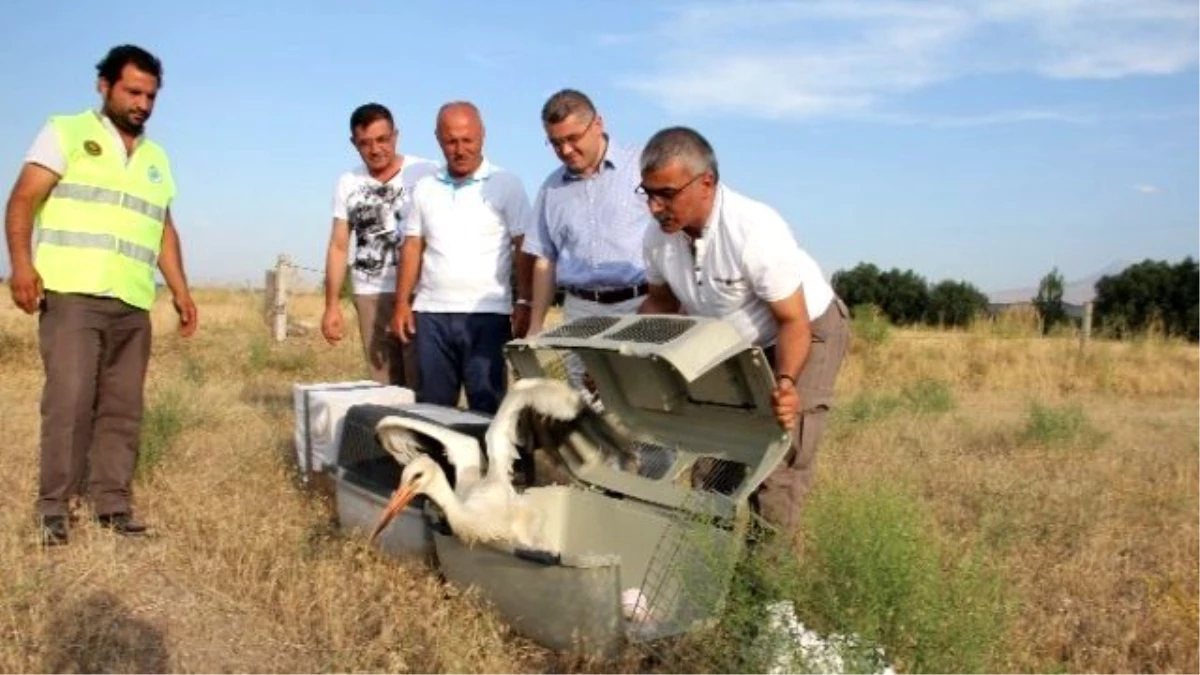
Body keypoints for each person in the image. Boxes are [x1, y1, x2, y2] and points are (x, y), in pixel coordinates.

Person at [3, 44, 198, 546]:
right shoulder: (66, 132)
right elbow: (24, 198)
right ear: (104, 86)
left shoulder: (156, 158)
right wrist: (21, 265)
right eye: (133, 92)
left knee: (122, 406)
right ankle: (53, 508)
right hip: (72, 294)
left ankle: (111, 503)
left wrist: (180, 291)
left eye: (151, 95)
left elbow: (163, 230)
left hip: (132, 301)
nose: (143, 104)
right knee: (68, 401)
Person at [635, 126, 850, 546]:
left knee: (776, 467)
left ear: (706, 183)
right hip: (732, 345)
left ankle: (768, 603)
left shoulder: (754, 230)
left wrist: (786, 385)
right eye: (647, 193)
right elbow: (661, 303)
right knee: (714, 464)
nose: (654, 207)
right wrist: (620, 349)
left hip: (805, 331)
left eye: (666, 194)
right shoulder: (657, 240)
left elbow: (793, 322)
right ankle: (701, 585)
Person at [392, 102, 532, 415]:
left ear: (482, 135)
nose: (459, 149)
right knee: (433, 410)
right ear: (438, 140)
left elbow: (524, 244)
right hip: (431, 315)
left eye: (467, 140)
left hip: (487, 315)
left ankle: (489, 465)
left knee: (488, 409)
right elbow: (412, 245)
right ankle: (441, 466)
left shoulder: (506, 184)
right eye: (451, 141)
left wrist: (525, 301)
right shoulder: (425, 188)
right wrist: (402, 302)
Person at [321, 103, 437, 387]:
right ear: (354, 143)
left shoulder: (426, 172)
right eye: (365, 143)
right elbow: (338, 245)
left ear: (395, 136)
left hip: (419, 294)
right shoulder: (347, 182)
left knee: (423, 384)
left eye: (382, 139)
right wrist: (331, 305)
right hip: (370, 293)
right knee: (384, 385)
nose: (375, 150)